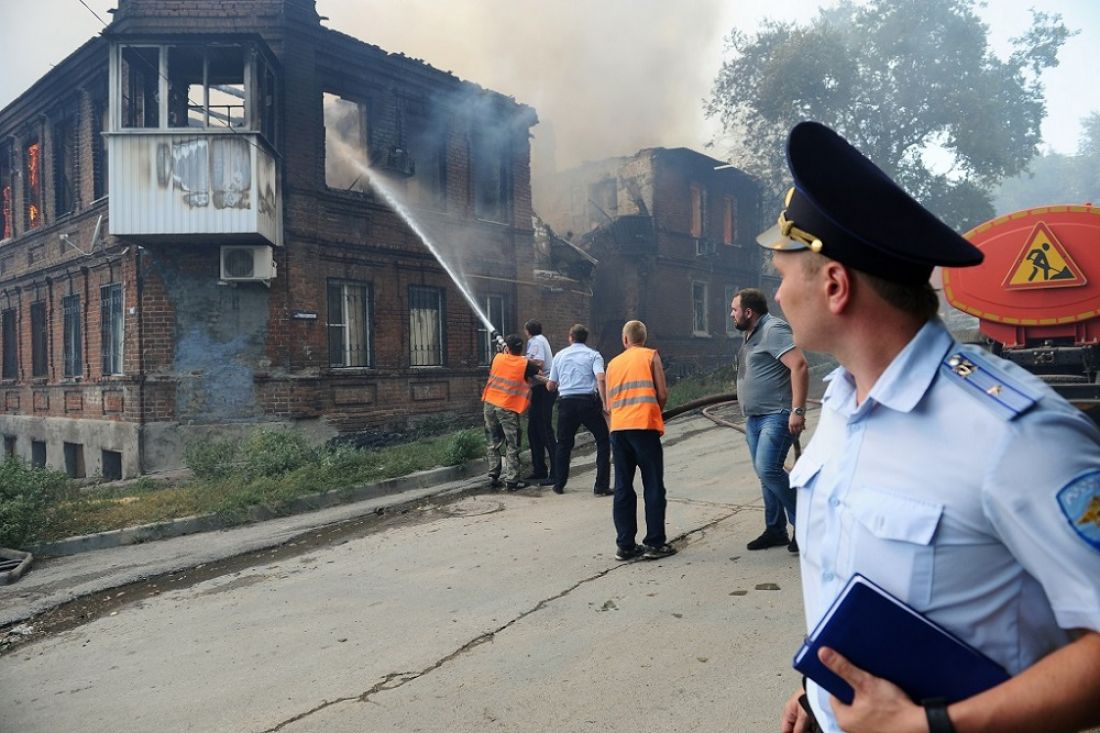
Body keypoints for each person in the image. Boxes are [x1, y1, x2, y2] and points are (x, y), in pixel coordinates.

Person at [764, 121, 1100, 733]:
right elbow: (858, 579)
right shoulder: (840, 406)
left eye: (783, 274)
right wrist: (817, 692)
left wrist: (931, 725)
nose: (779, 294)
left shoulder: (1016, 436)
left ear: (835, 285)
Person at [731, 287, 809, 554]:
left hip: (776, 414)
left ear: (748, 312)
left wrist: (797, 410)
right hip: (755, 417)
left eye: (734, 310)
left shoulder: (773, 329)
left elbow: (799, 365)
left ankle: (808, 523)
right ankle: (775, 529)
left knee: (768, 469)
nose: (732, 314)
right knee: (765, 475)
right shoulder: (751, 333)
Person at [606, 320, 675, 561]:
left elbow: (607, 405)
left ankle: (625, 545)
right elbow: (663, 393)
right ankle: (655, 543)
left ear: (625, 340)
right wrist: (656, 412)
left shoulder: (613, 364)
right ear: (642, 339)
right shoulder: (650, 356)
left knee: (624, 487)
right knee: (653, 484)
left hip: (619, 429)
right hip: (644, 426)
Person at [540, 324, 611, 495]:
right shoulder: (594, 355)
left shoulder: (560, 356)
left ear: (570, 337)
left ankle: (559, 484)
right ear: (585, 338)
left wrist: (542, 379)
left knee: (563, 444)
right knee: (603, 440)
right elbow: (600, 378)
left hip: (566, 404)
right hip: (588, 403)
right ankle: (601, 486)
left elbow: (551, 386)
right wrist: (605, 403)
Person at [481, 333, 538, 491]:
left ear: (508, 347)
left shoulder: (497, 358)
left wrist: (503, 351)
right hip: (506, 408)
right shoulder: (524, 363)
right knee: (512, 443)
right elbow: (536, 369)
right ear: (521, 349)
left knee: (493, 441)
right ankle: (512, 480)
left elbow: (498, 362)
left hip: (490, 404)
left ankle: (493, 475)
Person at [523, 319, 557, 482]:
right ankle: (539, 469)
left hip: (544, 389)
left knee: (544, 429)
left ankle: (557, 471)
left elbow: (538, 362)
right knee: (533, 430)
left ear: (527, 330)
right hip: (539, 390)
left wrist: (519, 360)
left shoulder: (535, 341)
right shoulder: (540, 340)